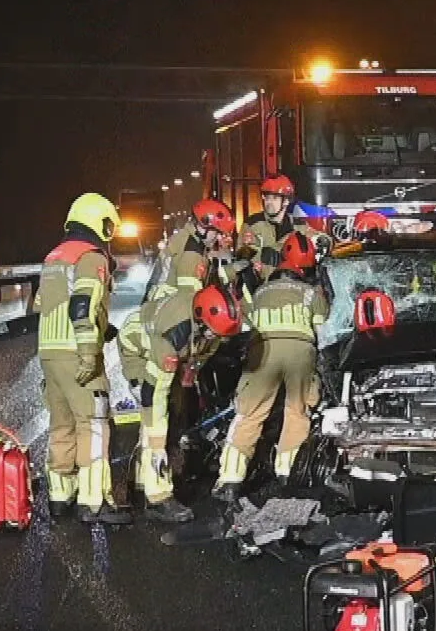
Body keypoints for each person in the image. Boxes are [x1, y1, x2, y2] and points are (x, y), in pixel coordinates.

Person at [129, 223, 234, 524]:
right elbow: (154, 394)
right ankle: (158, 497)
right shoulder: (173, 337)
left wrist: (192, 371)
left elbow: (202, 351)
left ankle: (143, 481)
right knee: (156, 425)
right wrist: (159, 431)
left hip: (161, 341)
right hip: (137, 350)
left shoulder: (204, 325)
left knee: (162, 423)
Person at [215, 232, 329, 506]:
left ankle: (230, 480)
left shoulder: (261, 291)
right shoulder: (312, 292)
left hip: (262, 352)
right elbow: (323, 329)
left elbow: (247, 323)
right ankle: (286, 475)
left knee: (249, 414)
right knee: (297, 412)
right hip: (300, 353)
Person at [37, 193, 125, 524]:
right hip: (76, 351)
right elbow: (81, 305)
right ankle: (94, 501)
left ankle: (60, 497)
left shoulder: (53, 257)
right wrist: (90, 351)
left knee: (61, 425)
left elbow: (43, 304)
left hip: (49, 352)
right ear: (97, 221)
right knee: (94, 424)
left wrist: (106, 327)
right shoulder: (90, 257)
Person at [237, 175, 300, 288]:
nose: (269, 202)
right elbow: (243, 259)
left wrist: (324, 241)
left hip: (291, 287)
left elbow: (318, 238)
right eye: (267, 197)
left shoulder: (299, 225)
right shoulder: (252, 224)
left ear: (286, 201)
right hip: (262, 289)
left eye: (274, 198)